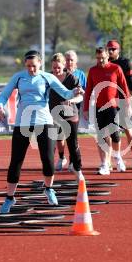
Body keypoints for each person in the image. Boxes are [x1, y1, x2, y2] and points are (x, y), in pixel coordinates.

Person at [0, 50, 84, 213]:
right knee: (16, 161)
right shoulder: (19, 77)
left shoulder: (47, 77)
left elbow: (65, 92)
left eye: (34, 66)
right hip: (22, 123)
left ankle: (49, 188)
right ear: (25, 65)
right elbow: (4, 95)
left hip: (44, 122)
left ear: (40, 64)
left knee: (48, 161)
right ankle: (9, 198)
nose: (31, 69)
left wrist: (75, 92)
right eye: (28, 66)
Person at [83, 47, 131, 175]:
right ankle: (104, 164)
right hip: (99, 108)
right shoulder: (93, 71)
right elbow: (88, 91)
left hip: (113, 107)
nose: (100, 61)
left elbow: (124, 88)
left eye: (102, 58)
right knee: (101, 137)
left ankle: (118, 158)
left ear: (107, 57)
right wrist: (86, 109)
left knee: (115, 135)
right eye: (98, 58)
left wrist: (127, 105)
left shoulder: (115, 69)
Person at [107, 40, 132, 170]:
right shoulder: (104, 62)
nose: (110, 51)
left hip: (123, 100)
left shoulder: (125, 63)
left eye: (113, 49)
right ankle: (108, 161)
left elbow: (131, 85)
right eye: (109, 49)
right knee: (110, 132)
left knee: (128, 130)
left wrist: (131, 103)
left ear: (118, 50)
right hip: (110, 101)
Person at [49, 53, 83, 182]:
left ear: (64, 65)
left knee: (72, 144)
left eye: (58, 67)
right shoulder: (48, 77)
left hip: (70, 115)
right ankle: (49, 176)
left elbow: (81, 96)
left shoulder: (71, 78)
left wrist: (73, 100)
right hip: (53, 116)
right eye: (54, 68)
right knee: (50, 145)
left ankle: (78, 172)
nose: (56, 70)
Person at [54, 50, 87, 171]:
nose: (69, 62)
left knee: (72, 138)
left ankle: (73, 162)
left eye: (71, 60)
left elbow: (84, 91)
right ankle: (62, 157)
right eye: (67, 60)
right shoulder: (55, 75)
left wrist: (80, 102)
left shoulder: (79, 75)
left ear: (75, 61)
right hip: (57, 110)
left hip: (73, 110)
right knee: (58, 137)